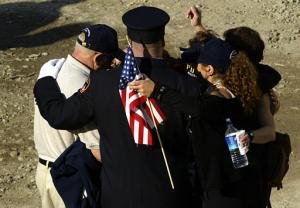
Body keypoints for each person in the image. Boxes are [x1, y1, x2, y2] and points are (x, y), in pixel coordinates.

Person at [34, 6, 204, 208]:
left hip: (118, 197)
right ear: (163, 40)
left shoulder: (102, 83)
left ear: (129, 42)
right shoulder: (187, 86)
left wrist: (44, 81)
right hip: (171, 195)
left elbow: (59, 116)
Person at [128, 37, 272, 208]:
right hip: (252, 181)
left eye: (198, 63)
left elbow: (199, 108)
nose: (194, 67)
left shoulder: (216, 101)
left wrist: (157, 91)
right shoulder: (248, 88)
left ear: (209, 69)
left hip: (226, 189)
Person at [34, 24, 118, 208]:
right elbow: (98, 150)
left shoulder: (52, 70)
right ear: (99, 58)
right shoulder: (85, 88)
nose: (111, 66)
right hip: (70, 180)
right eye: (110, 60)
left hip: (45, 173)